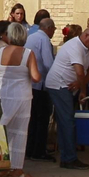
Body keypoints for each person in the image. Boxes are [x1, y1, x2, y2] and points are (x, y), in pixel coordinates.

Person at [44, 17, 89, 170]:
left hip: (68, 86)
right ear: (86, 36)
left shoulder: (88, 49)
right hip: (59, 85)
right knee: (67, 120)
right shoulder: (75, 46)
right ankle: (69, 157)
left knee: (65, 120)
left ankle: (67, 154)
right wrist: (81, 86)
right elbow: (80, 73)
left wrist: (81, 88)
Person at [0, 21, 41, 177]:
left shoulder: (1, 52)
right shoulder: (27, 53)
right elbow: (36, 77)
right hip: (21, 96)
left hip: (2, 94)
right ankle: (17, 168)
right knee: (20, 133)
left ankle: (2, 166)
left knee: (4, 131)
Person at [23, 16, 56, 162]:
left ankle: (30, 149)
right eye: (53, 29)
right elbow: (48, 63)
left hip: (30, 84)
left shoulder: (31, 37)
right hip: (41, 84)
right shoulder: (44, 40)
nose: (54, 32)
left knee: (33, 119)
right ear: (48, 28)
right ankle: (39, 151)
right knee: (42, 119)